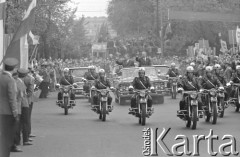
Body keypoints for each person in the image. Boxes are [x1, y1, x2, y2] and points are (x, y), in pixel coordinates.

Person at [0, 58, 18, 157]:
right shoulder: (10, 80)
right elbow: (12, 98)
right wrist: (15, 113)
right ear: (13, 68)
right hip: (8, 112)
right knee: (7, 138)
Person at [18, 69, 33, 146]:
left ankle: (17, 140)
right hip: (24, 103)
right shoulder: (28, 79)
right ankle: (25, 139)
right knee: (26, 121)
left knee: (18, 122)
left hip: (17, 104)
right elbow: (30, 92)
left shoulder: (15, 80)